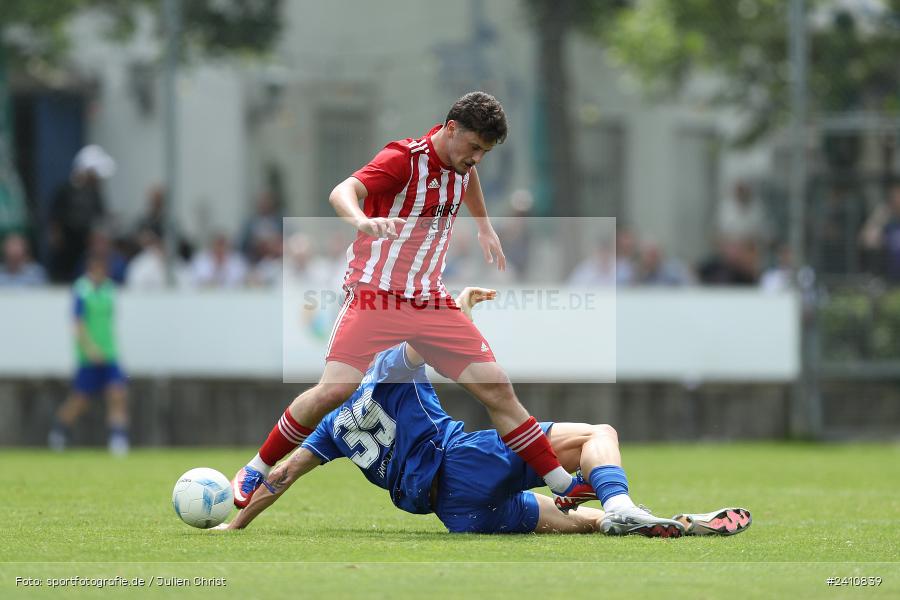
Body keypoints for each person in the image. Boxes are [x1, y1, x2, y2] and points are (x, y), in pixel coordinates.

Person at [232, 91, 592, 510]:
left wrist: (483, 226)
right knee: (334, 391)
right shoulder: (403, 158)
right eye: (475, 147)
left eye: (485, 152)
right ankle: (256, 466)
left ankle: (562, 484)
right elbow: (341, 191)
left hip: (428, 300)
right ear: (451, 129)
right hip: (376, 295)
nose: (477, 159)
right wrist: (362, 219)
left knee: (497, 388)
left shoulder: (461, 162)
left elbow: (467, 178)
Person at [221, 287, 751, 537]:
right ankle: (622, 503)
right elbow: (422, 343)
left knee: (579, 525)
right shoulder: (385, 365)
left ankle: (650, 523)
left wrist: (235, 526)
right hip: (464, 462)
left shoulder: (333, 420)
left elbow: (284, 472)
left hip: (455, 513)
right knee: (599, 432)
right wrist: (462, 310)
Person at [48, 253, 130, 455]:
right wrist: (90, 348)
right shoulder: (81, 290)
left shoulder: (110, 289)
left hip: (109, 353)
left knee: (117, 393)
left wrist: (106, 346)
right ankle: (59, 430)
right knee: (80, 400)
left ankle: (118, 438)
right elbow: (78, 324)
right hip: (88, 356)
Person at [47, 145, 115, 283]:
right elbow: (54, 220)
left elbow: (101, 220)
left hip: (87, 251)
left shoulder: (95, 194)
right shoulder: (65, 191)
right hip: (65, 253)